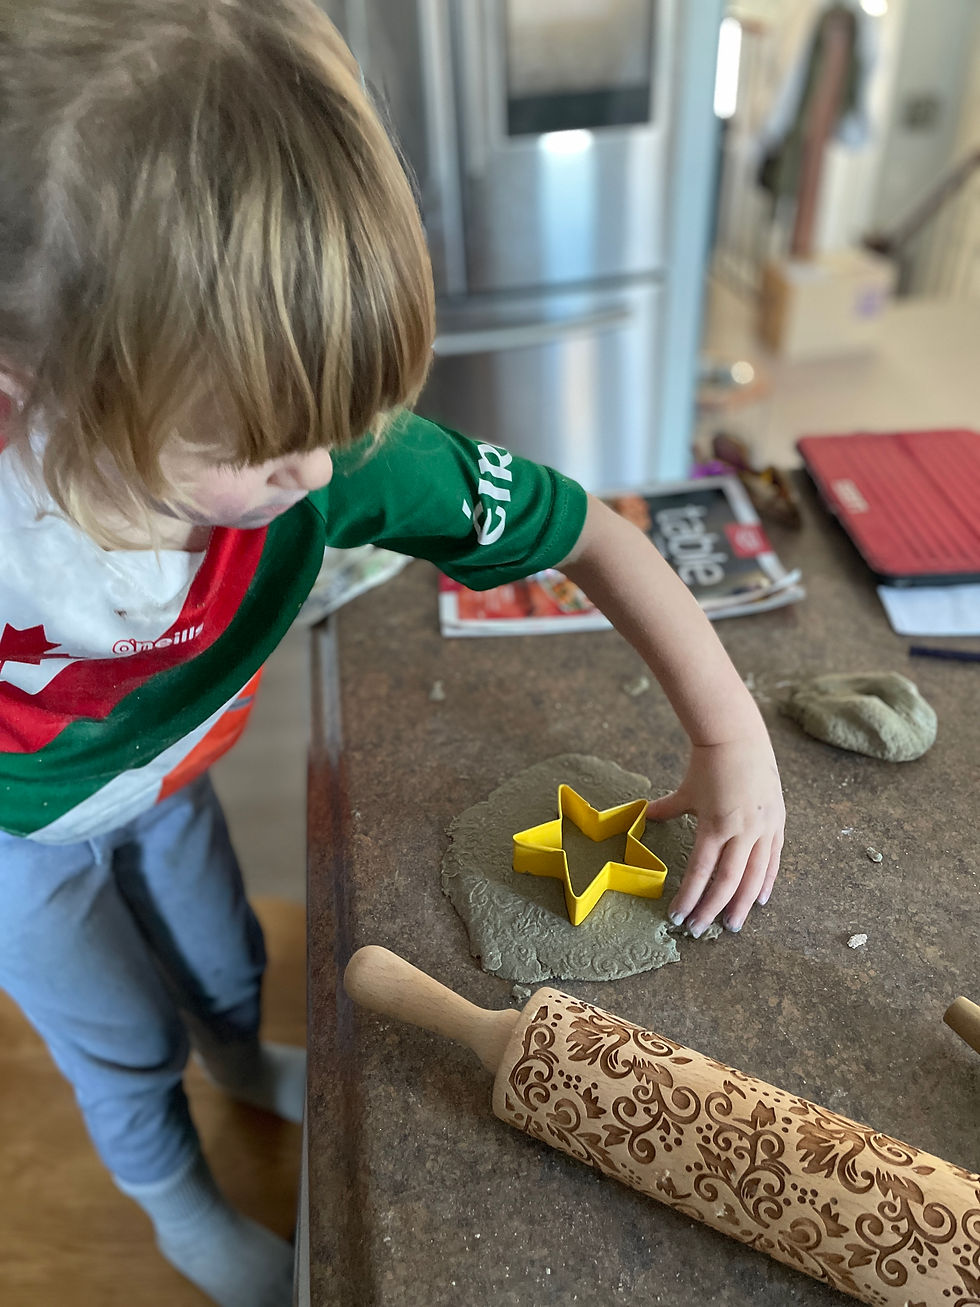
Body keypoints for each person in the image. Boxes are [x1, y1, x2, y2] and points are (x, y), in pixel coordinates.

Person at [0, 2, 785, 1304]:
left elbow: (590, 530)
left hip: (171, 767)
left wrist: (729, 737)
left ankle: (245, 1065)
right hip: (19, 828)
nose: (317, 471)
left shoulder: (340, 456)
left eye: (339, 423)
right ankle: (173, 1196)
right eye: (257, 449)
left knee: (223, 958)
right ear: (32, 397)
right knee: (119, 1037)